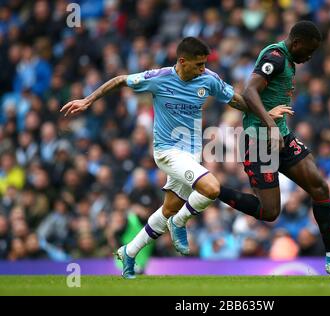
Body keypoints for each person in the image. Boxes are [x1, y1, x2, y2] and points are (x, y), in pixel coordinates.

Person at [60, 37, 291, 279]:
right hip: (167, 152)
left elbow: (237, 101)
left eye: (204, 64)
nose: (203, 69)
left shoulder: (208, 79)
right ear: (182, 61)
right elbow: (120, 80)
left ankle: (129, 252)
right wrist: (88, 100)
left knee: (169, 208)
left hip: (191, 155)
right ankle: (180, 223)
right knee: (211, 188)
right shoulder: (158, 78)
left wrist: (266, 113)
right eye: (198, 64)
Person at [215, 21, 330, 276]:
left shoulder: (289, 61)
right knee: (269, 212)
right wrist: (270, 125)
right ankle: (213, 190)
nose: (310, 56)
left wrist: (277, 129)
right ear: (296, 43)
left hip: (282, 138)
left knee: (319, 186)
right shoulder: (274, 57)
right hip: (258, 141)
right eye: (308, 50)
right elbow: (249, 91)